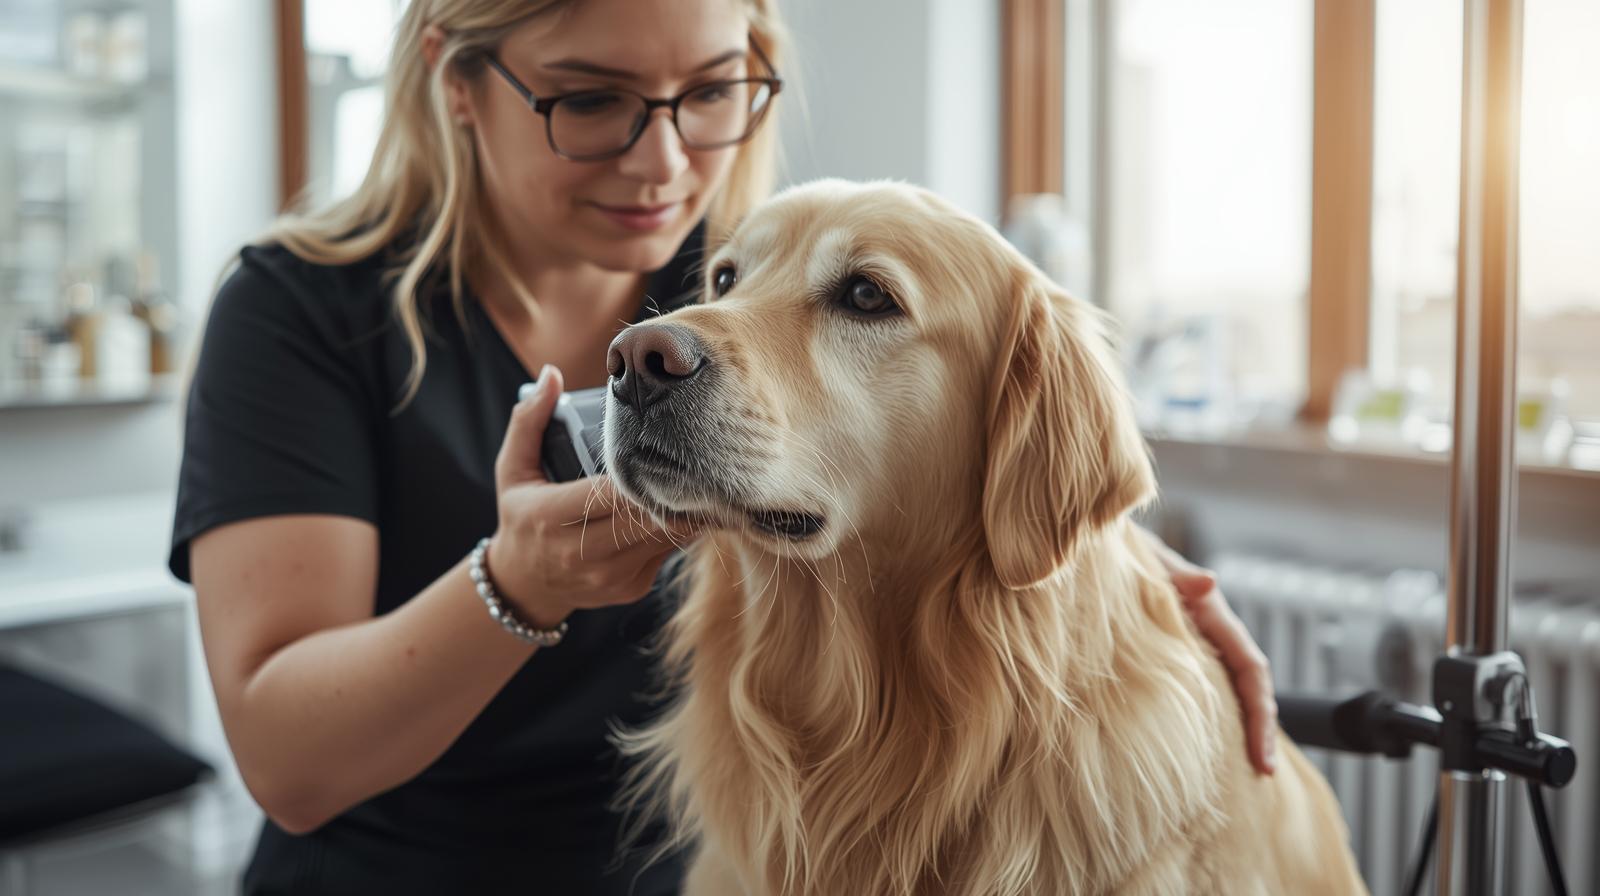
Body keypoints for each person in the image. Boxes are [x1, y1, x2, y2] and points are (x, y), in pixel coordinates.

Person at [168, 0, 1278, 892]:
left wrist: (1121, 575)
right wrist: (518, 583)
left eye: (707, 93)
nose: (661, 164)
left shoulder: (732, 263)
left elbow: (941, 450)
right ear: (455, 79)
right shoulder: (298, 313)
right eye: (590, 100)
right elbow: (287, 762)